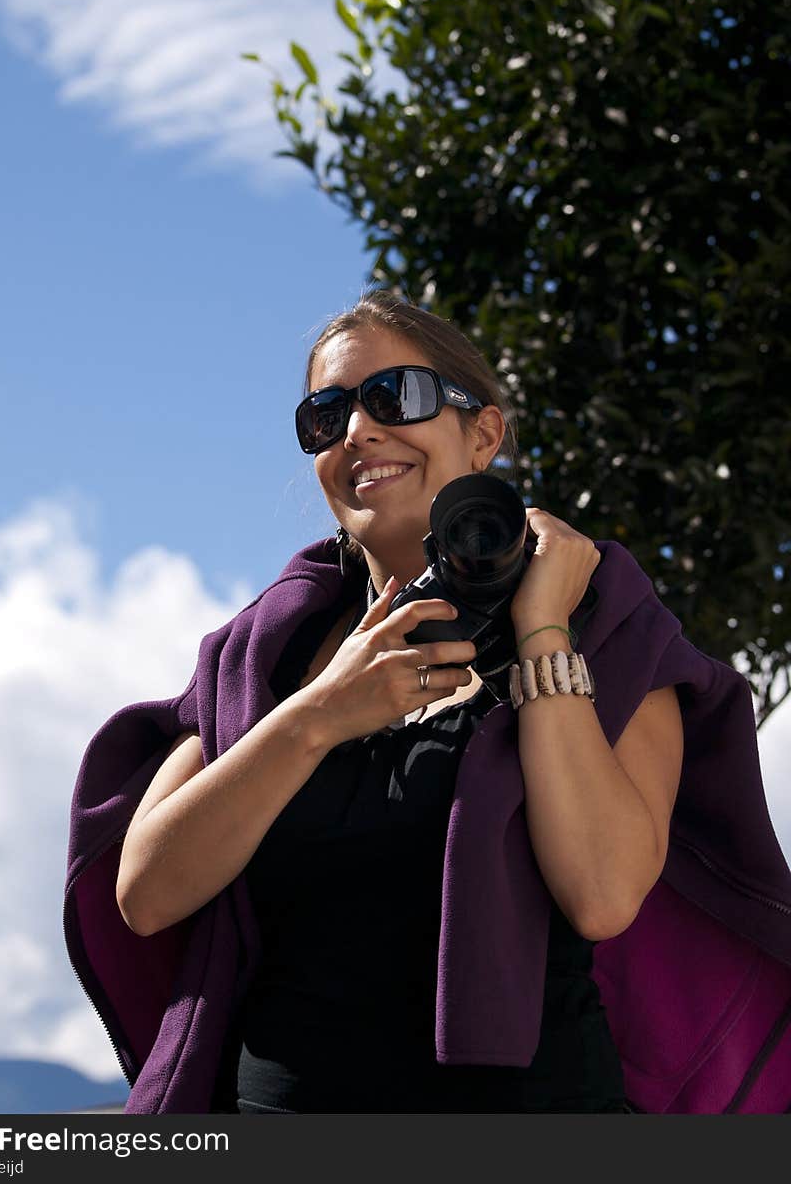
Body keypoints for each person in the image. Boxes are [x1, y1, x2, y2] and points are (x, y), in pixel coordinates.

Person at [64, 292, 791, 1115]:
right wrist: (321, 712)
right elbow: (148, 889)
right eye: (324, 415)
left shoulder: (608, 629)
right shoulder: (269, 657)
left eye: (394, 397)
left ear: (482, 434)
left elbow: (602, 890)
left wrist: (543, 628)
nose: (357, 432)